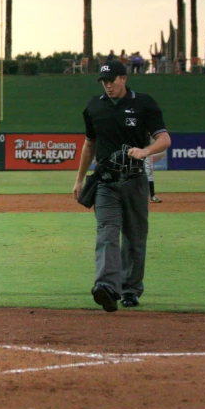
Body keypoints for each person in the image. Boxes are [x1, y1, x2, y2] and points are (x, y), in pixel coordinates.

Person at [72, 60, 171, 312]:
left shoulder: (143, 103)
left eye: (112, 80)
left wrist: (146, 150)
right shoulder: (94, 106)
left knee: (134, 237)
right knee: (106, 231)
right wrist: (80, 178)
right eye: (104, 82)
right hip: (105, 181)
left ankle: (130, 289)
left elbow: (164, 139)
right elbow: (89, 144)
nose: (107, 85)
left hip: (135, 180)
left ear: (123, 78)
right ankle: (106, 287)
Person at [145, 134, 165, 203]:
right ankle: (152, 197)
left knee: (149, 174)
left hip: (145, 152)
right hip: (141, 151)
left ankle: (152, 196)